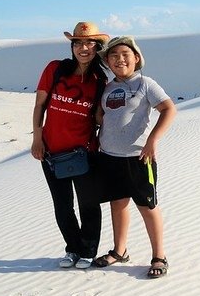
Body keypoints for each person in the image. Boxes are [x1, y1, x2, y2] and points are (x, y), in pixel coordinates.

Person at [93, 36, 177, 278]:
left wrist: (152, 140)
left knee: (147, 206)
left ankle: (159, 256)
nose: (119, 59)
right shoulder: (108, 88)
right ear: (107, 62)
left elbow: (169, 109)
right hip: (110, 157)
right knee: (117, 204)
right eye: (114, 55)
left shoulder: (146, 83)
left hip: (139, 158)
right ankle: (119, 251)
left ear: (136, 58)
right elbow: (103, 116)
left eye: (125, 55)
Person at [31, 21, 110, 269]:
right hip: (51, 151)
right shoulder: (55, 69)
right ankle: (72, 249)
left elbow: (99, 117)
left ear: (97, 47)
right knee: (62, 205)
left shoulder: (100, 80)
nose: (83, 48)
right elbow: (39, 106)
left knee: (88, 202)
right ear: (73, 46)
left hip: (84, 152)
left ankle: (88, 251)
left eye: (89, 43)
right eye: (78, 43)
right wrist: (37, 137)